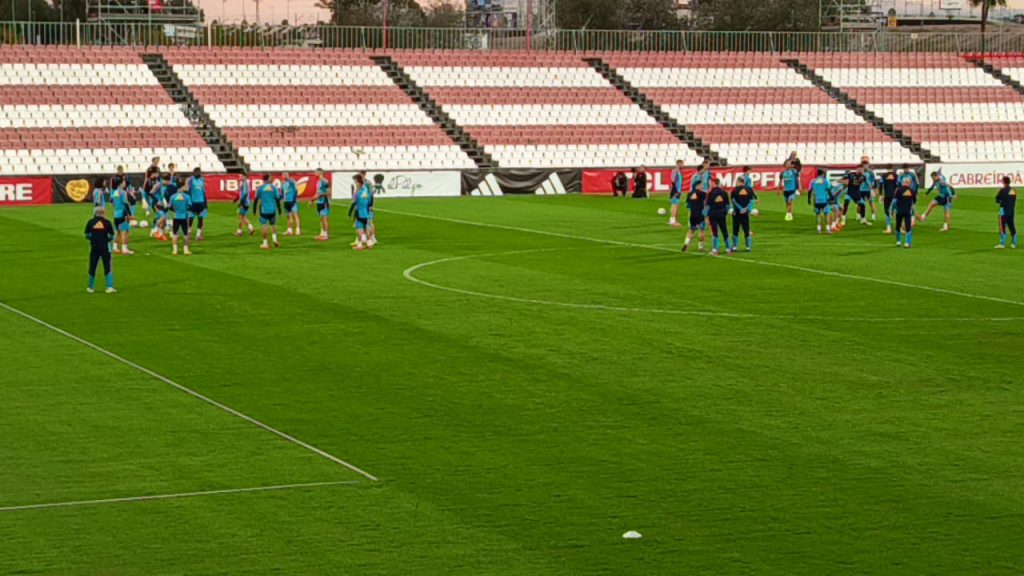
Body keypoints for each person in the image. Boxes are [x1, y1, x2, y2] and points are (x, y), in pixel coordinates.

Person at [84, 206, 116, 294]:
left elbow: (87, 235)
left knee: (93, 265)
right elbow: (111, 235)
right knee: (107, 265)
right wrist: (105, 239)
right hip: (105, 246)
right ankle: (109, 287)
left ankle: (90, 287)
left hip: (94, 246)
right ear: (103, 213)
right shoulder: (107, 222)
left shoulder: (90, 222)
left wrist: (93, 238)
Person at [253, 174, 282, 250]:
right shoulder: (274, 188)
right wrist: (280, 211)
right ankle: (275, 240)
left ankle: (265, 243)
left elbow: (256, 199)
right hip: (272, 210)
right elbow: (278, 199)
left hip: (264, 210)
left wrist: (254, 210)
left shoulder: (260, 188)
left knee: (264, 226)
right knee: (273, 225)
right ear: (268, 179)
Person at [705, 178, 732, 256]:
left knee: (715, 232)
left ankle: (715, 250)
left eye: (711, 183)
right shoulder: (724, 193)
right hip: (722, 215)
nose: (710, 184)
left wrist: (706, 216)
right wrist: (725, 213)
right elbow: (727, 205)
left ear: (714, 183)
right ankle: (728, 250)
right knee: (725, 231)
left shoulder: (710, 193)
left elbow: (707, 206)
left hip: (713, 215)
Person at [730, 180, 757, 251]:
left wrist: (740, 208)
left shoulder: (734, 190)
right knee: (746, 229)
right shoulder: (748, 189)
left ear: (739, 182)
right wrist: (746, 209)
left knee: (736, 229)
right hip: (745, 213)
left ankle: (734, 247)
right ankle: (748, 247)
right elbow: (751, 201)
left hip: (737, 213)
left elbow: (733, 201)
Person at [681, 181, 707, 253]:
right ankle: (701, 247)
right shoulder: (703, 194)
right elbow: (706, 203)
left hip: (692, 215)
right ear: (697, 186)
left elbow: (687, 205)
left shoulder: (689, 194)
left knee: (691, 231)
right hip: (700, 215)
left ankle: (686, 245)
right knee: (702, 231)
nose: (703, 186)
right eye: (701, 185)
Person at [109, 180, 133, 255]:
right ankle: (124, 249)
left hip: (116, 213)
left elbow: (112, 202)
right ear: (120, 184)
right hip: (123, 213)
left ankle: (115, 247)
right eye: (123, 182)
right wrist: (129, 213)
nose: (125, 183)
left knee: (118, 231)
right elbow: (125, 203)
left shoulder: (115, 192)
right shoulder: (122, 192)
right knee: (124, 231)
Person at [167, 185, 193, 256]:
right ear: (182, 188)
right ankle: (186, 250)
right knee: (185, 234)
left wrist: (175, 210)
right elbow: (190, 205)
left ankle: (175, 250)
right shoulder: (187, 196)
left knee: (175, 234)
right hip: (184, 217)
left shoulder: (172, 196)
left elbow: (169, 207)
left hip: (176, 217)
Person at [892, 181, 917, 248]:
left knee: (898, 226)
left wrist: (893, 209)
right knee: (908, 227)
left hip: (899, 211)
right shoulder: (911, 191)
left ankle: (898, 242)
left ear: (903, 183)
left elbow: (895, 199)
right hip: (907, 211)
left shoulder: (898, 190)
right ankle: (907, 243)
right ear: (909, 183)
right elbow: (914, 201)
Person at [995, 176, 1018, 249]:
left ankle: (1002, 243)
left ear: (1004, 182)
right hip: (1011, 211)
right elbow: (1014, 199)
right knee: (1011, 226)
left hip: (1003, 210)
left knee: (1002, 226)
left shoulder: (1002, 190)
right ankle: (1014, 243)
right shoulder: (1013, 190)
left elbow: (997, 199)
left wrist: (1001, 201)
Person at [186, 168, 208, 242]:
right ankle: (189, 232)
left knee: (200, 218)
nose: (198, 173)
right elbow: (187, 189)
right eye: (197, 172)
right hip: (192, 202)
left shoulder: (202, 180)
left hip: (201, 203)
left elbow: (203, 192)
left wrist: (205, 204)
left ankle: (198, 235)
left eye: (199, 172)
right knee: (191, 218)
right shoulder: (190, 180)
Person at [351, 173, 372, 250]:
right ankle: (369, 243)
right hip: (365, 212)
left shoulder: (358, 192)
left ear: (357, 181)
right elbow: (369, 200)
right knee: (366, 227)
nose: (354, 183)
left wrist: (354, 190)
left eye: (355, 181)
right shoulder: (365, 190)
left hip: (359, 212)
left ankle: (359, 245)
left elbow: (354, 200)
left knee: (359, 229)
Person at [808, 170, 832, 235]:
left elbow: (810, 191)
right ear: (823, 174)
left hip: (816, 201)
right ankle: (828, 230)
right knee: (827, 215)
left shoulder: (813, 181)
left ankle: (819, 230)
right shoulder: (825, 181)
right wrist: (831, 198)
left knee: (818, 215)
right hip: (824, 200)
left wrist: (809, 200)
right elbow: (828, 190)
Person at [311, 169, 331, 241]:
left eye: (315, 172)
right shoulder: (318, 182)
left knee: (324, 219)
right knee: (321, 219)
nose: (314, 174)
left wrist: (319, 196)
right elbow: (317, 192)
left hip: (324, 202)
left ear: (320, 173)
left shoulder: (325, 181)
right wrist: (313, 200)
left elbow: (328, 193)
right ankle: (322, 234)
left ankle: (326, 235)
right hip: (319, 202)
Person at [880, 167, 900, 234]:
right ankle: (899, 228)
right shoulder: (897, 176)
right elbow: (899, 186)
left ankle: (889, 228)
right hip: (895, 196)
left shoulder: (883, 176)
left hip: (887, 196)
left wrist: (881, 195)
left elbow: (880, 185)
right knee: (895, 211)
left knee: (887, 211)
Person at [282, 172, 301, 236]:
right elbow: (284, 192)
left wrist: (294, 199)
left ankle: (298, 230)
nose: (284, 176)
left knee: (295, 215)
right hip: (286, 201)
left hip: (292, 201)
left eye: (286, 175)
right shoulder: (283, 183)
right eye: (283, 175)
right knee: (289, 216)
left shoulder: (292, 181)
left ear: (288, 175)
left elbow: (296, 190)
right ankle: (289, 231)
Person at [668, 159, 684, 227]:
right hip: (676, 190)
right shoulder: (676, 171)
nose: (683, 165)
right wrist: (676, 191)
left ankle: (673, 220)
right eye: (682, 164)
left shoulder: (678, 171)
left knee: (675, 205)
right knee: (674, 205)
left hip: (676, 190)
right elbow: (673, 180)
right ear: (679, 163)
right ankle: (673, 221)